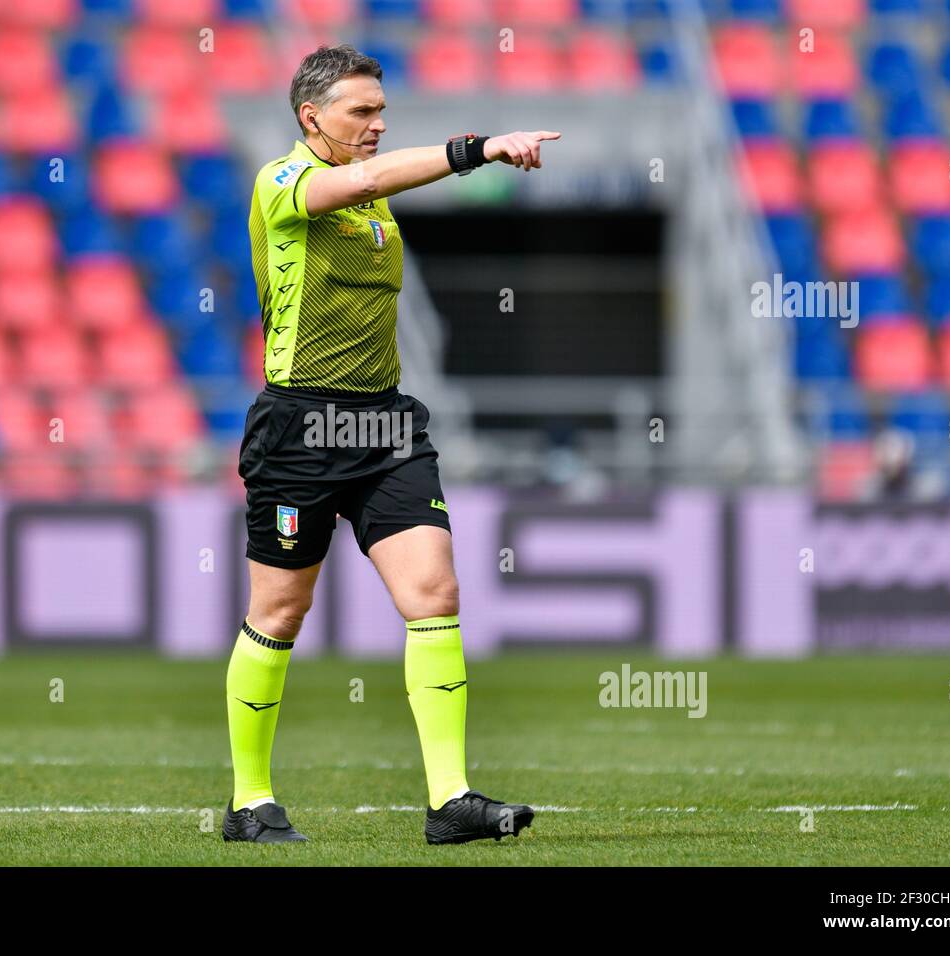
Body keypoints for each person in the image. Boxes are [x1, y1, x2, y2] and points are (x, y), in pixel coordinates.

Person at [223, 43, 561, 845]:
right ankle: (249, 802)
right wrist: (477, 148)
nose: (377, 125)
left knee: (434, 595)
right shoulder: (285, 181)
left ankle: (451, 800)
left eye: (382, 110)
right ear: (312, 117)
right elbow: (366, 180)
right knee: (279, 609)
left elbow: (373, 185)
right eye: (361, 112)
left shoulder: (372, 204)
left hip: (383, 425)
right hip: (299, 426)